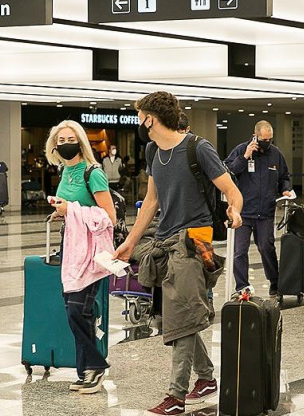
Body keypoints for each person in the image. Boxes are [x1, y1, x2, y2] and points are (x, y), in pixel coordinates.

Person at [114, 91, 243, 415]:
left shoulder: (198, 148)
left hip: (195, 241)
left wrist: (236, 211)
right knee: (161, 315)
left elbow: (231, 190)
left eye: (140, 116)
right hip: (166, 240)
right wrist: (130, 241)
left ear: (151, 119)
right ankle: (208, 377)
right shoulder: (152, 150)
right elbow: (152, 201)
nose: (139, 122)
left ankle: (175, 397)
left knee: (182, 319)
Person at [45, 120, 117, 394]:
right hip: (72, 246)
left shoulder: (93, 172)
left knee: (78, 308)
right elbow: (72, 205)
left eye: (70, 139)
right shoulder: (65, 170)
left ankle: (95, 366)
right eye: (60, 140)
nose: (65, 144)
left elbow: (109, 217)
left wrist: (71, 211)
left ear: (81, 142)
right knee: (75, 309)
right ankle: (86, 369)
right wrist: (61, 212)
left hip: (92, 251)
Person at [224, 120, 292, 296]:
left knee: (266, 248)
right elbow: (228, 172)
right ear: (255, 136)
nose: (267, 143)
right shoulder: (241, 150)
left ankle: (275, 282)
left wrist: (285, 188)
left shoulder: (275, 154)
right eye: (263, 139)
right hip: (243, 211)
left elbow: (284, 175)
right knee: (240, 251)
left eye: (270, 139)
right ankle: (241, 286)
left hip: (265, 211)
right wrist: (245, 157)